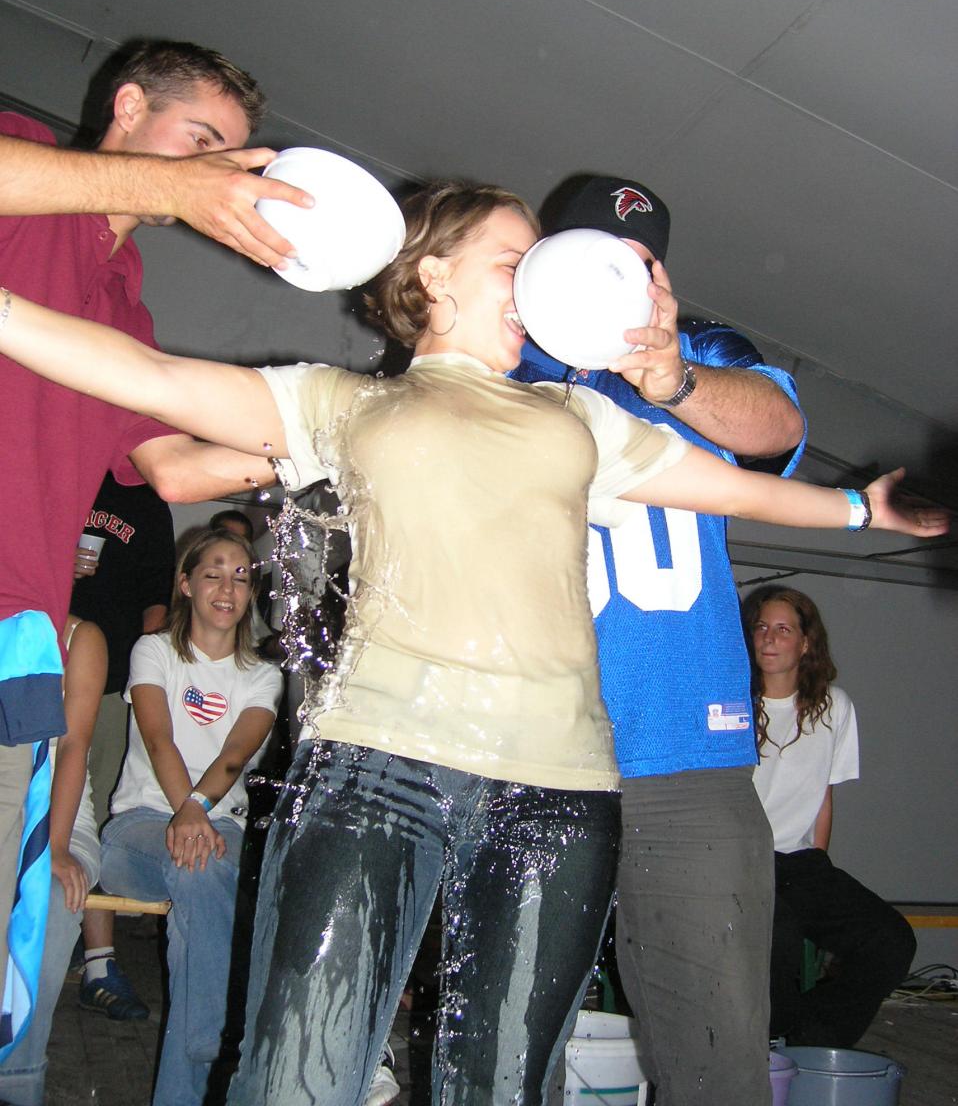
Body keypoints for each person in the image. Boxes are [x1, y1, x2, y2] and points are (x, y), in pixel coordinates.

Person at [0, 180, 945, 1106]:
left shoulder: (583, 416)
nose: (540, 287)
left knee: (501, 1082)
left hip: (557, 793)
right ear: (435, 275)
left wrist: (866, 509)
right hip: (377, 772)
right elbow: (153, 378)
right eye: (515, 263)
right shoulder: (346, 401)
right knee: (299, 1069)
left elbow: (737, 486)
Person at [0, 37, 309, 1057]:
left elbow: (173, 467)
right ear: (128, 107)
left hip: (19, 639)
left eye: (231, 152)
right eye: (202, 140)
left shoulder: (120, 296)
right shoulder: (26, 163)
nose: (220, 169)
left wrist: (326, 443)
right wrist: (168, 184)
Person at [514, 174, 805, 1103]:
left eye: (639, 262)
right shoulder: (498, 347)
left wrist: (672, 377)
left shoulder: (703, 351)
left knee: (717, 1053)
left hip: (685, 755)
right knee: (503, 1050)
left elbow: (780, 427)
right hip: (524, 753)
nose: (616, 279)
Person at [99, 528, 282, 1106]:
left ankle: (199, 1044)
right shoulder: (154, 651)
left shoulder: (263, 675)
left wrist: (198, 812)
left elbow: (234, 756)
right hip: (137, 830)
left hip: (217, 829)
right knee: (203, 868)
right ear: (185, 584)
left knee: (201, 877)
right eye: (213, 573)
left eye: (241, 576)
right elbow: (159, 739)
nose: (228, 587)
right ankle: (218, 1035)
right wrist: (186, 812)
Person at [745, 586, 917, 1048]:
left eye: (783, 629)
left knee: (891, 940)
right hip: (741, 862)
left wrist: (819, 862)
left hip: (802, 863)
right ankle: (772, 1040)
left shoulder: (833, 707)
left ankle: (811, 1041)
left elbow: (823, 794)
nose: (769, 638)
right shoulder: (732, 706)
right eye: (761, 627)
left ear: (805, 643)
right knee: (778, 938)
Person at [71, 471, 175, 1021]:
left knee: (93, 815)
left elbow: (156, 603)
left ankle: (98, 962)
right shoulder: (56, 469)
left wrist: (144, 685)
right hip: (37, 662)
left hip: (113, 682)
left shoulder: (150, 499)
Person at [0, 613, 106, 1105]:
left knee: (54, 898)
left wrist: (55, 846)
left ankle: (17, 1079)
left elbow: (74, 745)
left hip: (60, 819)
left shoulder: (80, 637)